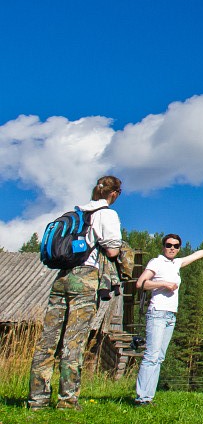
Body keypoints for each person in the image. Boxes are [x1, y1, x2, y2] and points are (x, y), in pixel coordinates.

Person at [28, 175, 125, 411]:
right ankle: (67, 400)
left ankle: (37, 400)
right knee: (74, 340)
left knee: (47, 340)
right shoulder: (106, 214)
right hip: (85, 278)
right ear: (114, 194)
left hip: (61, 278)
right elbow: (112, 251)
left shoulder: (77, 213)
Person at [133, 234, 203, 406]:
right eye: (169, 245)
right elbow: (141, 283)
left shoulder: (176, 263)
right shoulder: (156, 262)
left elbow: (195, 256)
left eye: (176, 245)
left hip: (170, 315)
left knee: (159, 358)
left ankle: (148, 397)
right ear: (163, 246)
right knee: (151, 356)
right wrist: (164, 284)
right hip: (157, 312)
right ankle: (141, 398)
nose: (172, 248)